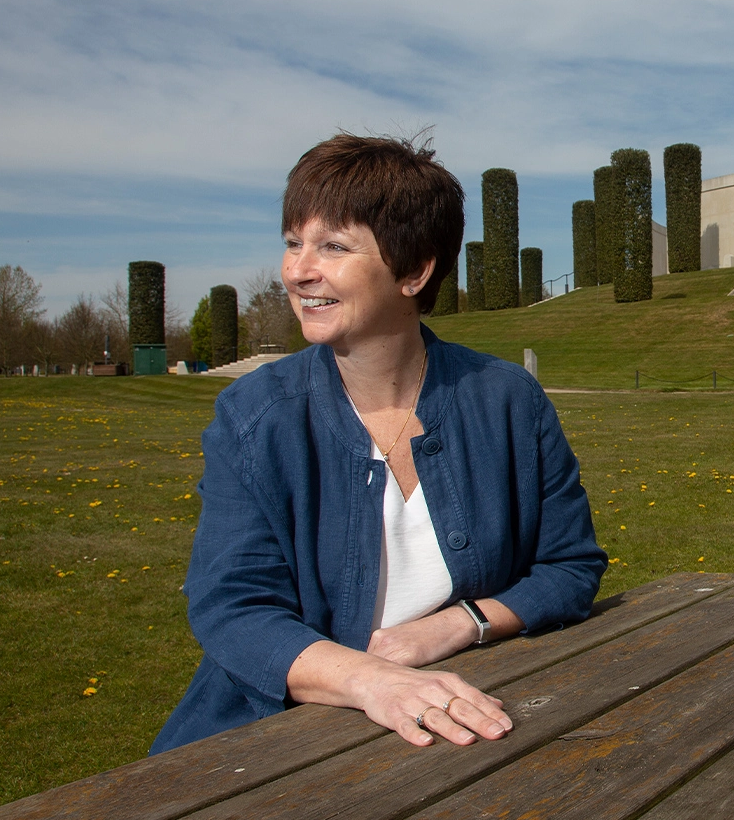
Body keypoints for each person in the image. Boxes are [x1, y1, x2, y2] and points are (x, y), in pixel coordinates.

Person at [151, 133, 607, 754]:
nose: (296, 270)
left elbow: (570, 568)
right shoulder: (254, 417)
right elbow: (233, 609)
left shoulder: (507, 401)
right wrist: (373, 681)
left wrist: (459, 625)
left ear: (414, 270)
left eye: (333, 246)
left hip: (460, 730)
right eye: (293, 243)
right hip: (264, 743)